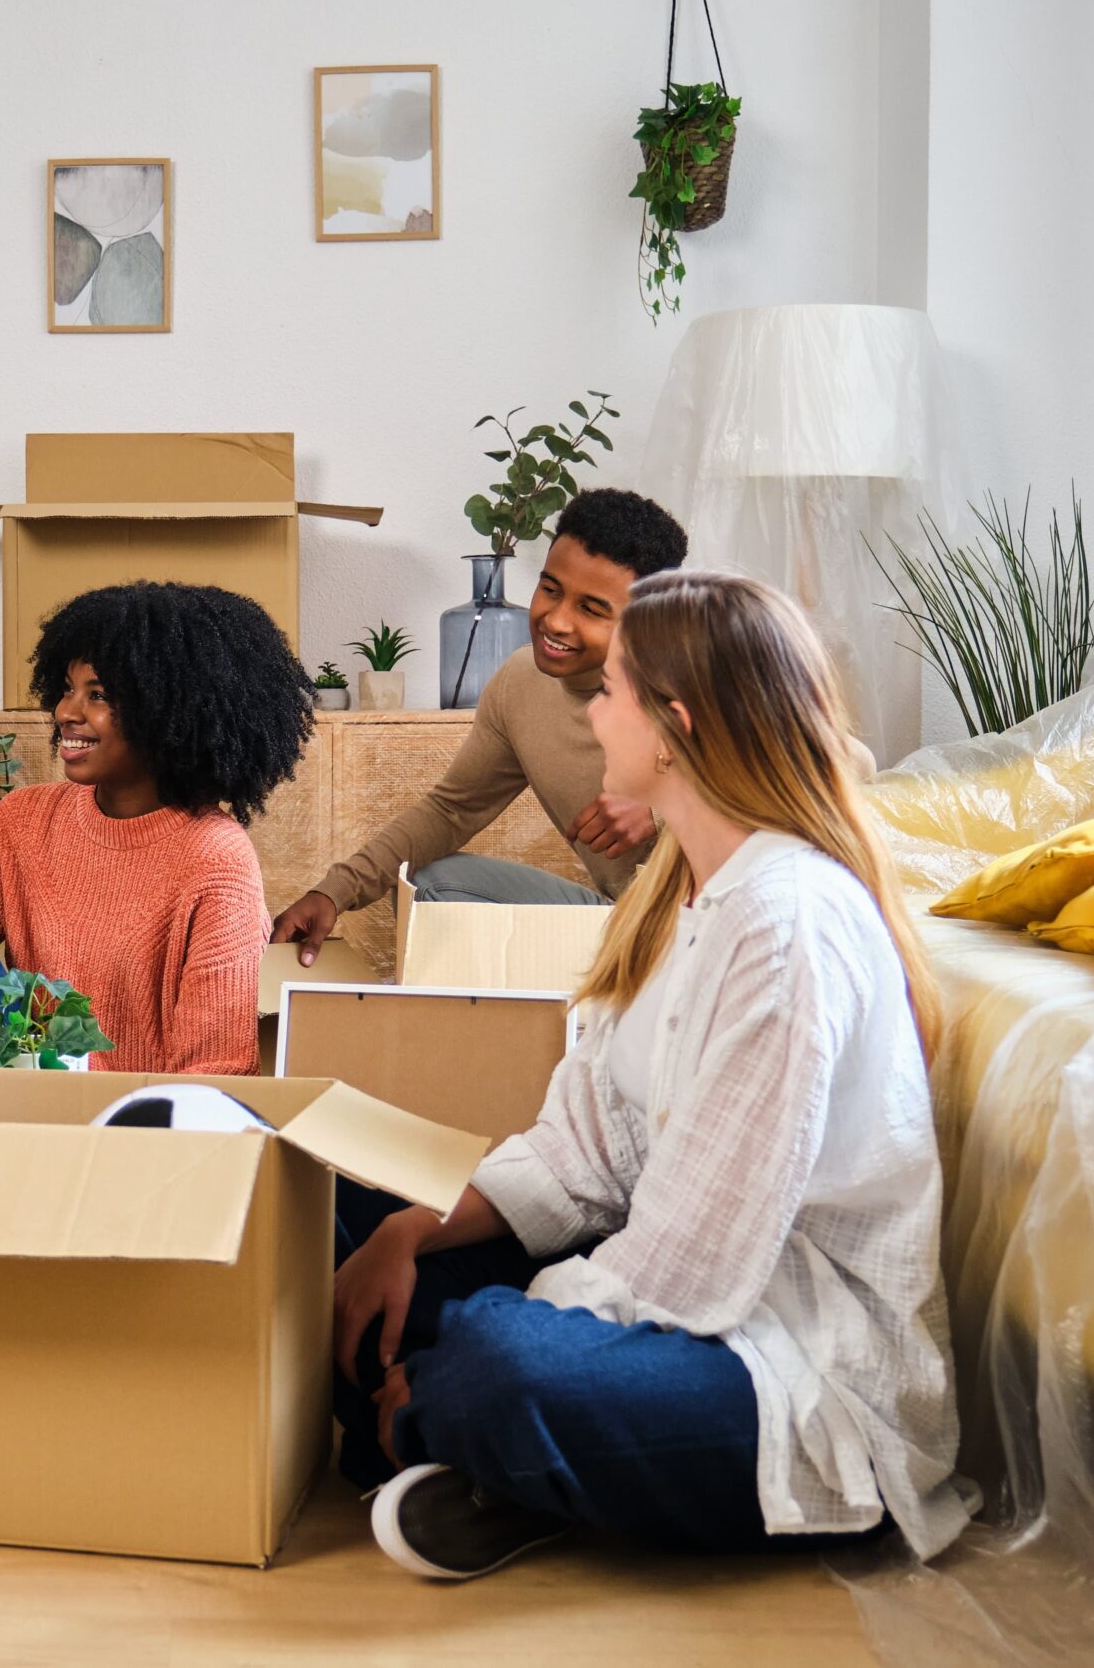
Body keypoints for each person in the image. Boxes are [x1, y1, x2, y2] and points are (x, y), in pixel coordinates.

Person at [331, 570, 970, 1580]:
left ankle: (469, 1430)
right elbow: (587, 1147)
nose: (592, 709)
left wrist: (497, 1330)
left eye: (612, 690)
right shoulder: (680, 895)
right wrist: (418, 1229)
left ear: (671, 726)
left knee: (506, 1366)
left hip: (784, 1365)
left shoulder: (786, 924)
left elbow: (698, 1250)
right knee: (350, 1219)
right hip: (665, 1290)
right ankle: (491, 1455)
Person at [0, 582, 311, 1077]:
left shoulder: (215, 859)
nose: (66, 713)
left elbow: (217, 1067)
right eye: (68, 689)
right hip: (23, 1078)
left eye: (97, 695)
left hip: (120, 1122)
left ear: (167, 712)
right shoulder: (24, 819)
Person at [271, 489, 689, 960]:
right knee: (430, 888)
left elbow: (779, 817)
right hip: (623, 926)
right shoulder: (521, 683)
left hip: (717, 939)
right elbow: (451, 811)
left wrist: (660, 803)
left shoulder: (705, 683)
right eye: (550, 589)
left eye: (591, 609)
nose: (555, 621)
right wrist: (334, 891)